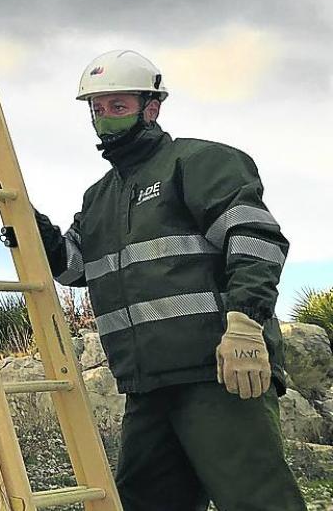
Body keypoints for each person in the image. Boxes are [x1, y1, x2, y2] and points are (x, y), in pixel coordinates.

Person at [29, 49, 305, 511]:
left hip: (218, 372)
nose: (105, 118)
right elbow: (75, 267)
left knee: (257, 502)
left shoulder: (198, 162)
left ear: (152, 107)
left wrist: (245, 325)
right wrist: (27, 221)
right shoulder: (99, 198)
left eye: (118, 105)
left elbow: (255, 238)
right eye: (98, 108)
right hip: (146, 384)